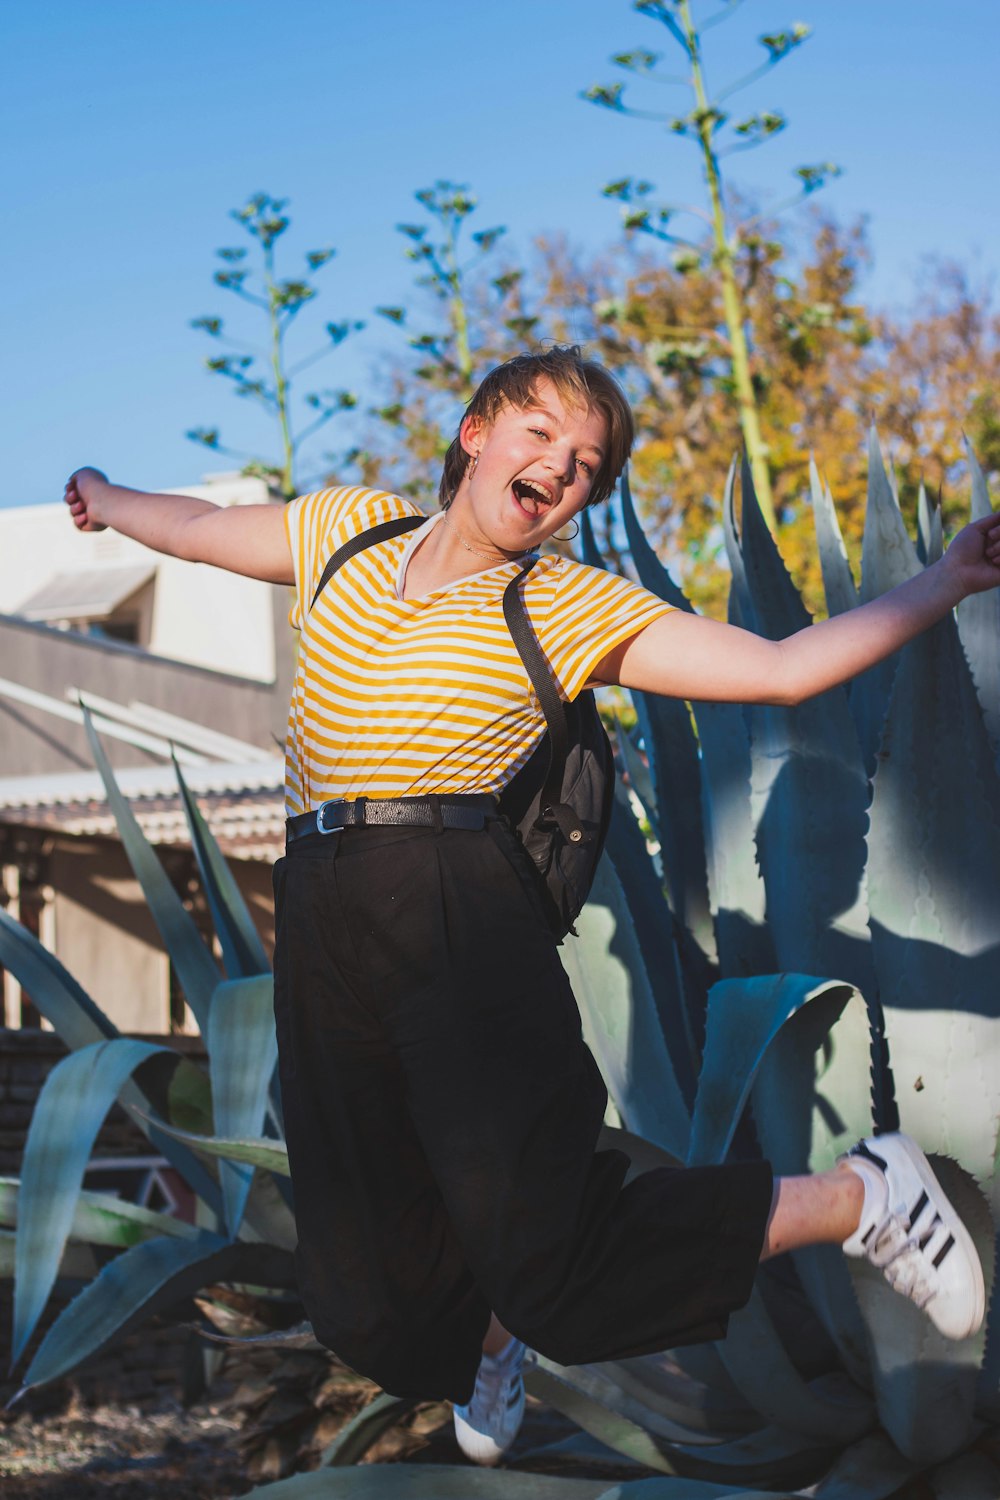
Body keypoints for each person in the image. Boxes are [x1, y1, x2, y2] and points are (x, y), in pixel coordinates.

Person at [65, 346, 996, 1468]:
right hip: (318, 907)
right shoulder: (348, 531)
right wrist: (108, 502)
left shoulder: (561, 601)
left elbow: (781, 670)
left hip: (456, 906)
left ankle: (866, 1196)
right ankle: (489, 1335)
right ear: (475, 434)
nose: (557, 466)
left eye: (586, 464)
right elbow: (204, 533)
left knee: (566, 1262)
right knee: (369, 1304)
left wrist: (940, 579)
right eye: (539, 433)